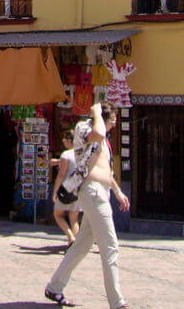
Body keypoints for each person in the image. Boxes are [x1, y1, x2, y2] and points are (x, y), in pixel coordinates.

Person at [44, 102, 130, 308]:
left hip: (102, 190)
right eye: (111, 121)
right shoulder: (86, 128)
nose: (113, 125)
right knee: (110, 246)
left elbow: (107, 170)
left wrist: (117, 192)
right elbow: (98, 134)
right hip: (91, 191)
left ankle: (54, 287)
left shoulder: (105, 139)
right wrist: (96, 113)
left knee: (81, 246)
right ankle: (117, 302)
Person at [51, 130, 81, 245]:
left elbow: (61, 174)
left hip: (66, 189)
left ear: (69, 140)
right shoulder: (81, 154)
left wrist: (55, 192)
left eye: (64, 139)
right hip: (77, 189)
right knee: (74, 218)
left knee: (58, 214)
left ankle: (71, 237)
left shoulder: (66, 154)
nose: (63, 141)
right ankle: (75, 244)